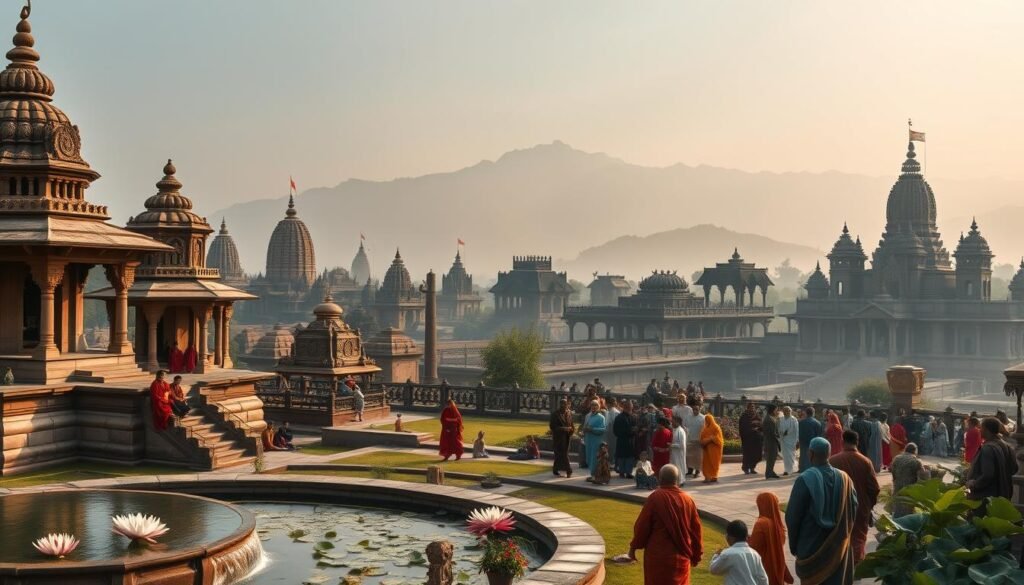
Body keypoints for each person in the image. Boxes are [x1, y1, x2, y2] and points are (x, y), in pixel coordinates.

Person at [786, 437, 857, 585]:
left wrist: (794, 545)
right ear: (829, 453)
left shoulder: (804, 479)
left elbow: (792, 517)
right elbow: (853, 509)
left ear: (810, 453)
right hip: (838, 547)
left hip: (811, 547)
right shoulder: (846, 479)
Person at [629, 465, 703, 585]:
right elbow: (696, 531)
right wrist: (697, 553)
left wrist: (633, 548)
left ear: (660, 479)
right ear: (677, 480)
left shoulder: (655, 498)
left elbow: (642, 527)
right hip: (681, 556)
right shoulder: (688, 500)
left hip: (658, 556)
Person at [829, 430, 880, 563]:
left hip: (838, 507)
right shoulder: (865, 461)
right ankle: (854, 567)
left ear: (842, 441)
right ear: (857, 442)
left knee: (839, 536)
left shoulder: (833, 461)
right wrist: (869, 506)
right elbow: (874, 488)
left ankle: (840, 565)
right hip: (860, 506)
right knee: (858, 537)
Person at [966, 417, 1019, 512]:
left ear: (986, 430)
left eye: (981, 428)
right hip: (1003, 494)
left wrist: (974, 483)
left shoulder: (988, 449)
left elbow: (987, 475)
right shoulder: (1007, 447)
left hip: (987, 497)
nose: (979, 430)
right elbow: (1014, 469)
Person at [749, 492, 793, 585]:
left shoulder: (761, 523)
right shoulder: (779, 525)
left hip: (764, 566)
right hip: (778, 564)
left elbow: (754, 547)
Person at [710, 520, 770, 585]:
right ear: (746, 537)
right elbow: (763, 578)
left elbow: (714, 569)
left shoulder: (728, 554)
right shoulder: (755, 554)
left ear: (730, 537)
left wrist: (716, 555)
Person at [890, 443, 930, 518]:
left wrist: (895, 482)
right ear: (915, 451)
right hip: (909, 488)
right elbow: (923, 477)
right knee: (907, 509)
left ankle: (896, 521)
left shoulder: (897, 458)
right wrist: (927, 472)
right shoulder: (916, 461)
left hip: (898, 487)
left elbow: (893, 472)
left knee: (898, 506)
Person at [549, 398, 574, 477]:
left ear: (567, 405)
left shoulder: (569, 413)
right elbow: (552, 427)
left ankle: (555, 469)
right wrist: (564, 429)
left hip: (567, 437)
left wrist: (571, 430)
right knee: (563, 454)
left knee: (561, 454)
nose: (563, 405)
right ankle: (568, 470)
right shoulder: (555, 414)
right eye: (562, 404)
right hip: (558, 438)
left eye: (565, 404)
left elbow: (571, 424)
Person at [582, 400, 607, 478]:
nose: (594, 407)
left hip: (596, 440)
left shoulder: (601, 417)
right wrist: (584, 430)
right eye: (592, 405)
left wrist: (592, 429)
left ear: (598, 407)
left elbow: (603, 429)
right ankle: (592, 474)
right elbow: (585, 426)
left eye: (595, 405)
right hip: (588, 440)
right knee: (589, 457)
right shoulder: (588, 416)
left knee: (595, 458)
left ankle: (596, 474)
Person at [740, 402, 764, 475]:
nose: (752, 408)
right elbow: (742, 427)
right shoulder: (744, 416)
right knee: (747, 454)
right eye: (750, 407)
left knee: (756, 454)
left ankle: (752, 468)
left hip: (756, 439)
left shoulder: (757, 416)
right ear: (748, 408)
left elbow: (761, 425)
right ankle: (746, 468)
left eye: (753, 407)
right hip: (748, 439)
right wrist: (751, 429)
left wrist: (759, 429)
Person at [683, 398, 705, 478]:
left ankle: (697, 470)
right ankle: (690, 470)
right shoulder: (688, 417)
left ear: (699, 409)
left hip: (698, 440)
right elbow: (684, 426)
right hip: (689, 439)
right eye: (694, 409)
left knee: (697, 457)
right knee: (689, 456)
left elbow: (705, 429)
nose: (695, 411)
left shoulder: (703, 418)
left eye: (696, 409)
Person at [701, 413, 724, 483]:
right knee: (706, 464)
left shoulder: (716, 427)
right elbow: (702, 438)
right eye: (706, 420)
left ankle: (714, 476)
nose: (706, 421)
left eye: (708, 420)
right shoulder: (704, 429)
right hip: (707, 450)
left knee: (714, 463)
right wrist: (705, 441)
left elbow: (719, 439)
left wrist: (711, 439)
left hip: (715, 450)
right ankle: (707, 477)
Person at [798, 406, 823, 472]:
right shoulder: (817, 423)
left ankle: (803, 471)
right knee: (812, 459)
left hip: (803, 444)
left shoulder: (801, 422)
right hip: (813, 444)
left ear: (806, 413)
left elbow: (799, 433)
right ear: (813, 413)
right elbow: (819, 435)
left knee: (803, 458)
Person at [762, 404, 781, 479]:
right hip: (771, 442)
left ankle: (770, 472)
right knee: (771, 458)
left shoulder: (770, 418)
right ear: (772, 410)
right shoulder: (769, 420)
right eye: (776, 410)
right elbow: (772, 433)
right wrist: (778, 440)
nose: (777, 411)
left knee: (772, 458)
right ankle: (768, 473)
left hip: (771, 441)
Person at [779, 406, 799, 476]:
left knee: (791, 455)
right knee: (785, 456)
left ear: (790, 411)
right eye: (785, 411)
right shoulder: (781, 419)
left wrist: (797, 440)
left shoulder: (794, 420)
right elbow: (778, 428)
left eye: (788, 411)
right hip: (783, 440)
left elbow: (796, 431)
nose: (786, 412)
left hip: (792, 440)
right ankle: (786, 469)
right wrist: (781, 433)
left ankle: (790, 469)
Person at [670, 416, 687, 486]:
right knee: (674, 467)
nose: (672, 423)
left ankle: (680, 481)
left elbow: (681, 445)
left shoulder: (681, 431)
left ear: (677, 422)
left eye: (673, 421)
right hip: (673, 453)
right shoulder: (674, 430)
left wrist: (672, 445)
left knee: (679, 467)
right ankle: (675, 481)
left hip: (679, 453)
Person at [603, 398, 620, 463]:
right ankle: (610, 461)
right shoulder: (609, 411)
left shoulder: (614, 412)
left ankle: (612, 461)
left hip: (611, 432)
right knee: (611, 447)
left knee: (612, 447)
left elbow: (610, 423)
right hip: (610, 432)